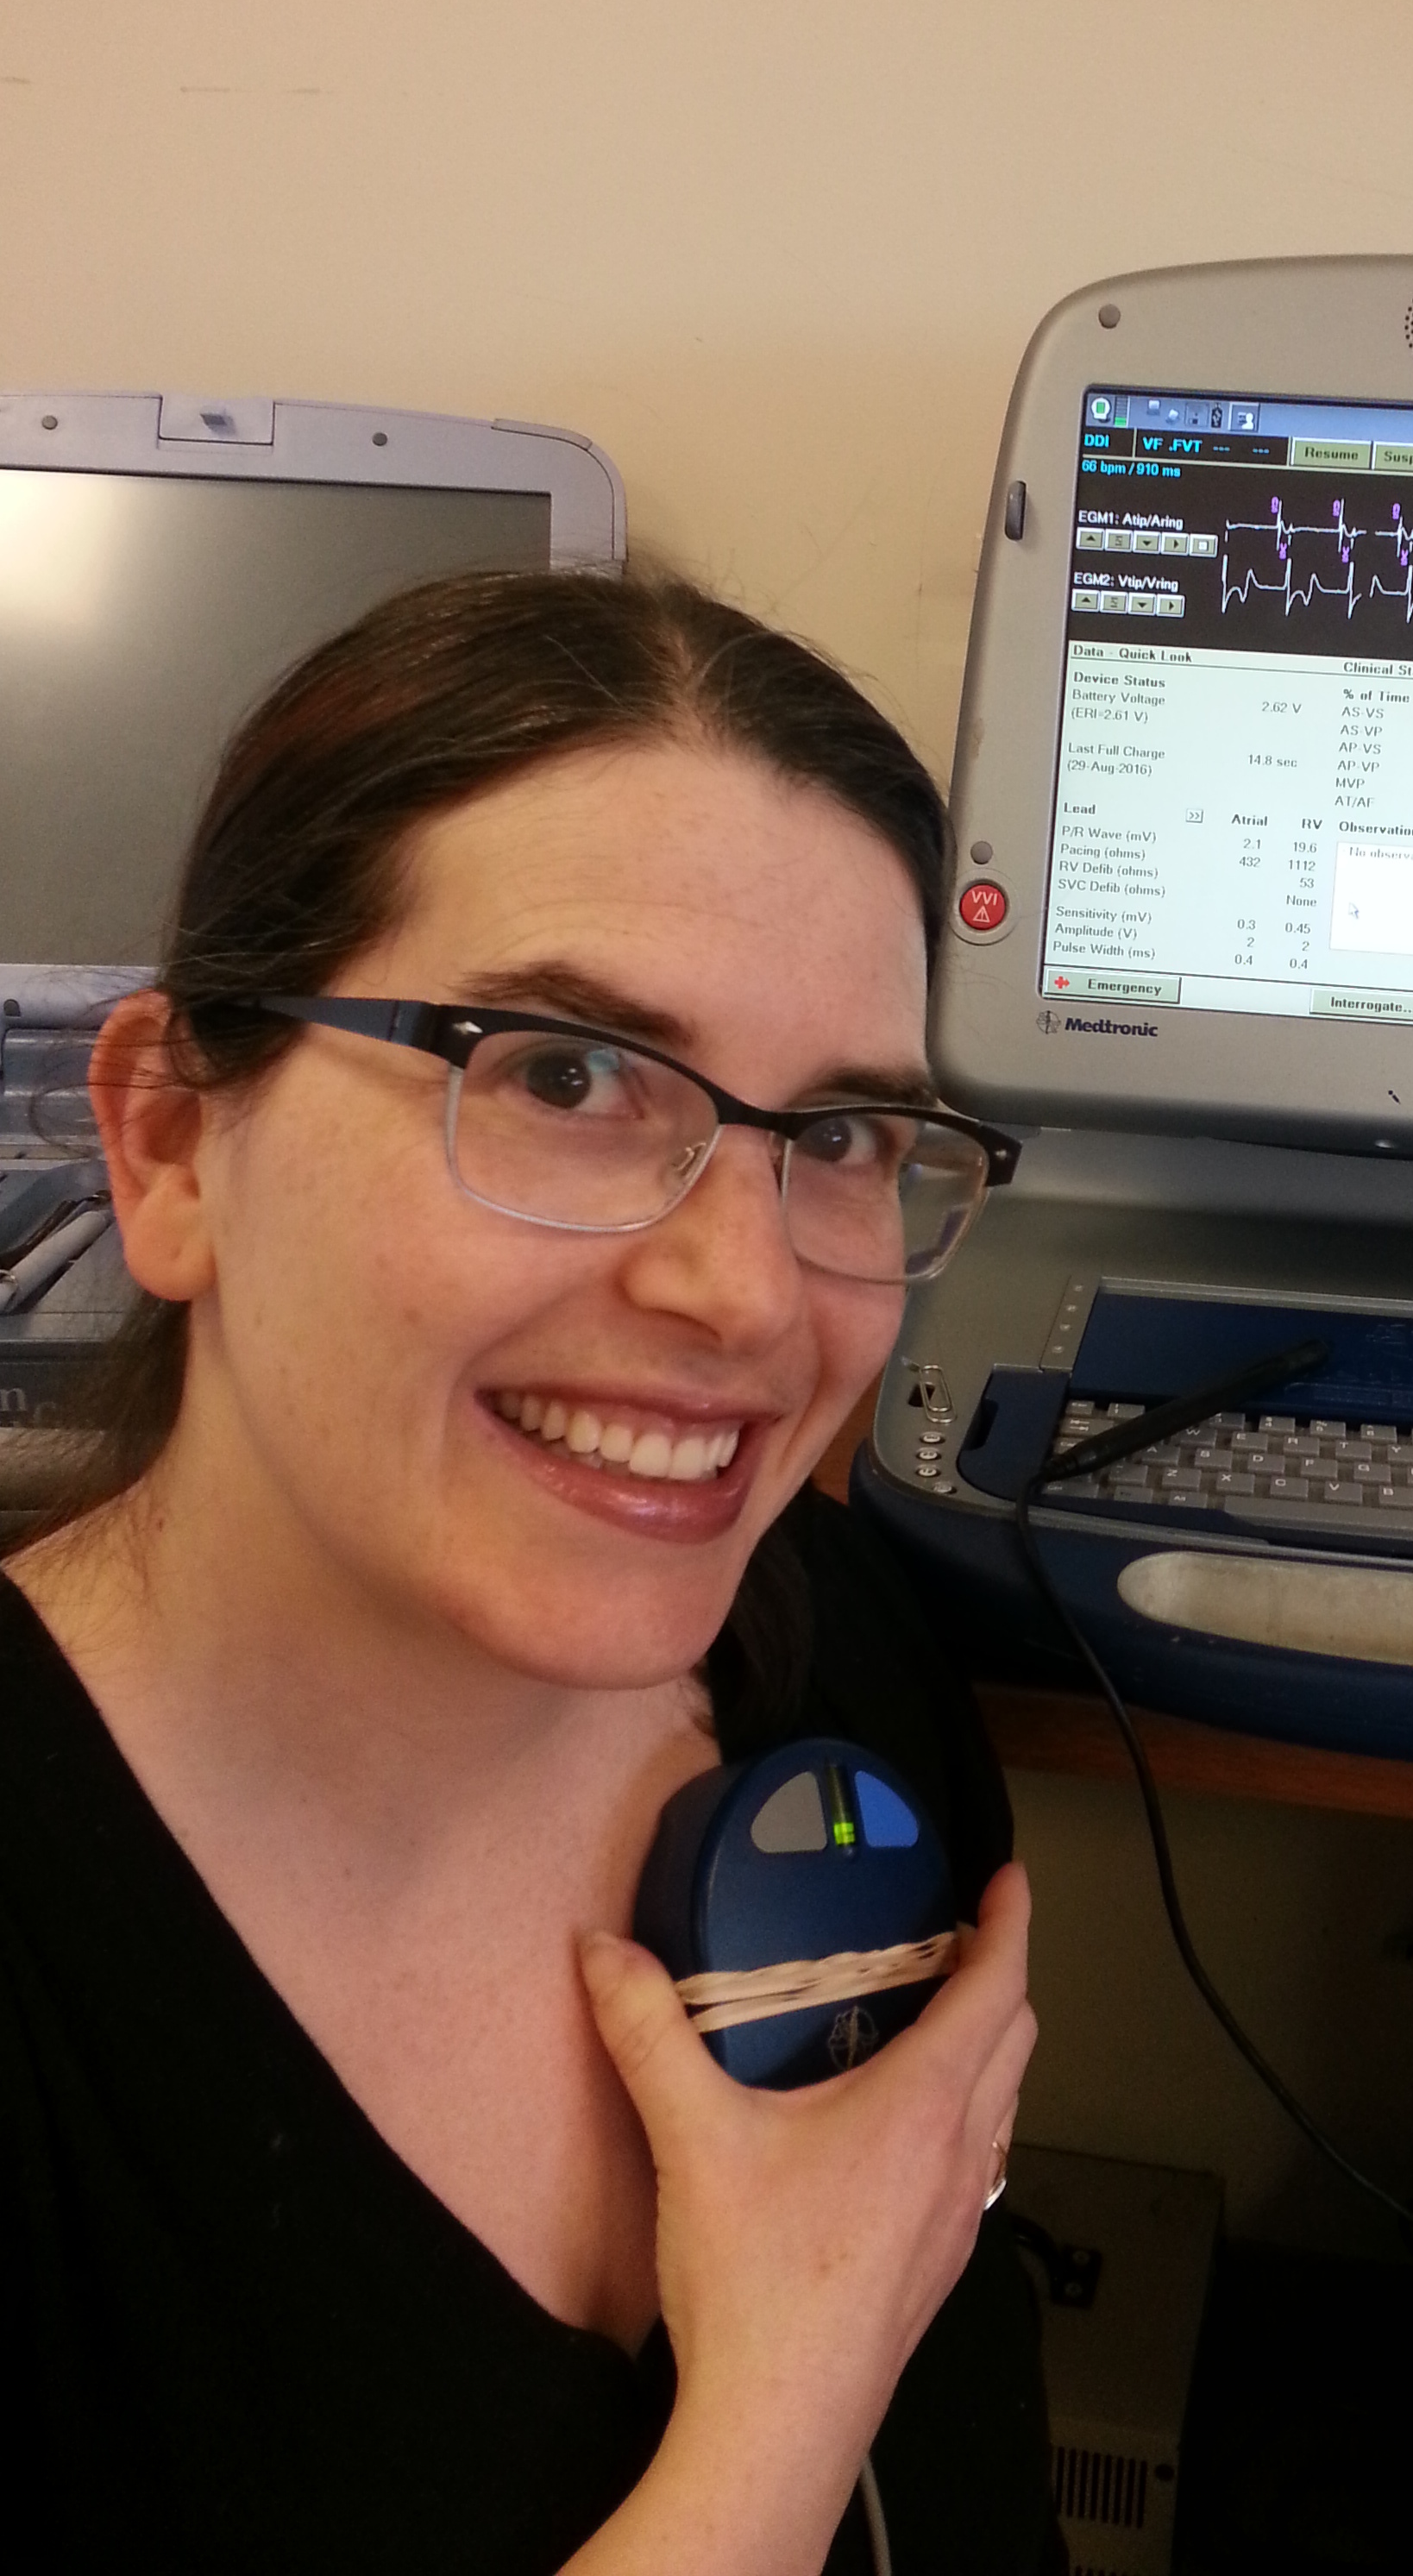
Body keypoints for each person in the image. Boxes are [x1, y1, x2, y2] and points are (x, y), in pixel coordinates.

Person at [0, 572, 1056, 2575]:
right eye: (564, 1075)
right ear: (170, 1147)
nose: (748, 1296)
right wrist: (782, 2415)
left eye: (842, 1136)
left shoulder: (846, 1669)